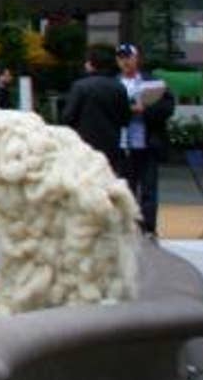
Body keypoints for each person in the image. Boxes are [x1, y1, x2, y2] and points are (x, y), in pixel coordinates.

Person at [115, 43, 175, 236]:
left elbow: (168, 108)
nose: (125, 61)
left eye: (129, 57)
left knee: (149, 187)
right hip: (122, 143)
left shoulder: (154, 83)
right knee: (126, 187)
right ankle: (127, 226)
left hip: (148, 142)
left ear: (137, 59)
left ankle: (148, 227)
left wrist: (146, 111)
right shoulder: (113, 83)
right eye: (121, 58)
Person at [61, 44, 131, 175]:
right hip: (112, 145)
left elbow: (68, 117)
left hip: (84, 144)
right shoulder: (119, 86)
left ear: (91, 64)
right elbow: (125, 119)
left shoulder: (80, 86)